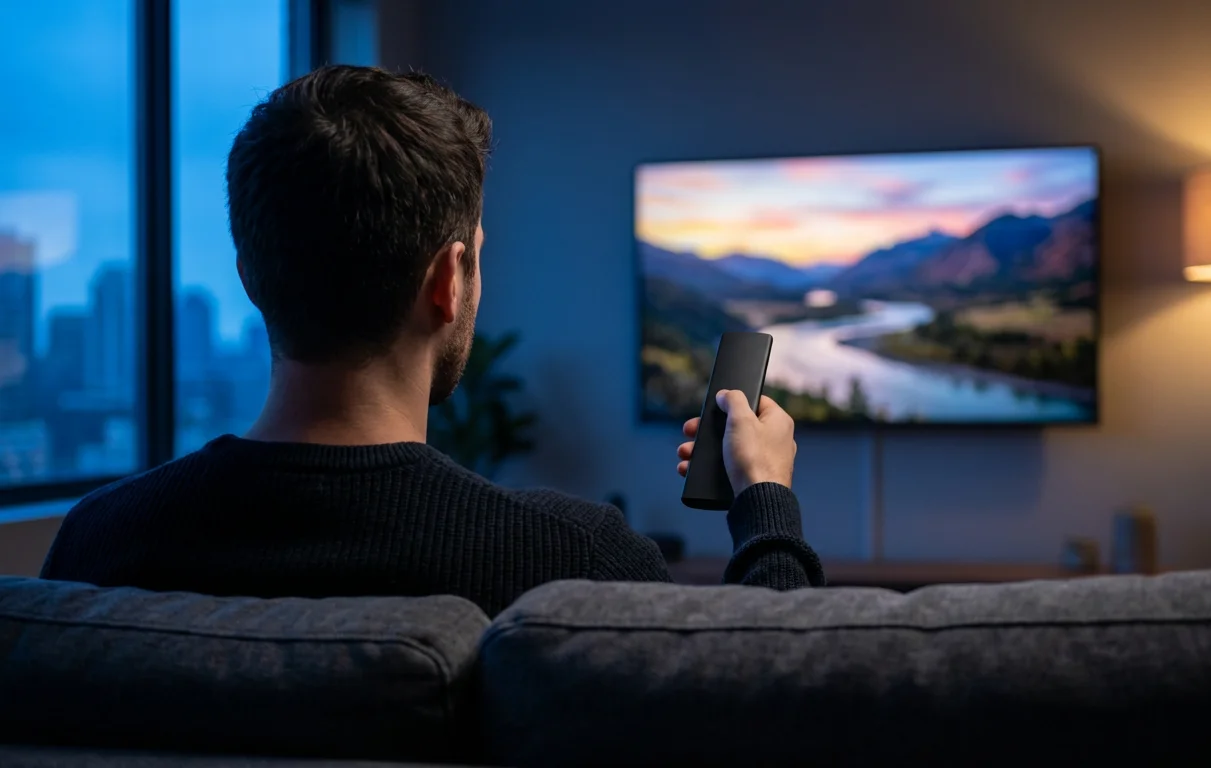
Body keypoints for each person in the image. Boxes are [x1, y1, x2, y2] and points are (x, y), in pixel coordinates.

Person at [41, 65, 824, 616]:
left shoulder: (101, 547)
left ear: (250, 275)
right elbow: (774, 708)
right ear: (448, 280)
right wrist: (766, 503)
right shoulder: (575, 565)